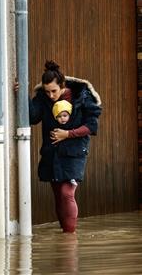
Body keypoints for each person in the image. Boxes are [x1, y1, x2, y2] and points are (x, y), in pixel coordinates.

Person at [29, 60, 102, 233]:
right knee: (58, 196)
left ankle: (70, 238)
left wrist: (68, 134)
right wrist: (22, 95)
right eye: (47, 92)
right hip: (51, 153)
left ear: (62, 86)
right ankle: (65, 238)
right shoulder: (42, 98)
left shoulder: (82, 96)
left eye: (54, 91)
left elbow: (92, 126)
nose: (50, 95)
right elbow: (33, 118)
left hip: (74, 153)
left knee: (66, 193)